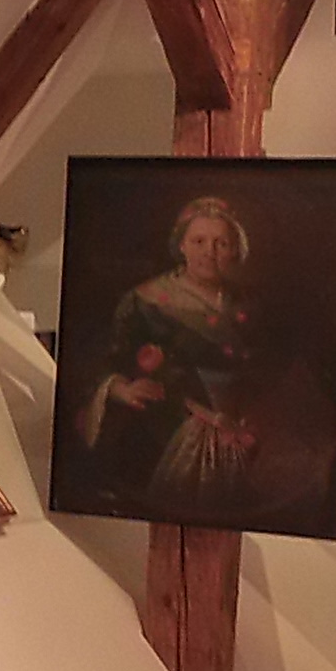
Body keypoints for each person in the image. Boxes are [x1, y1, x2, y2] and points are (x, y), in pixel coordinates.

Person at [78, 197, 261, 520]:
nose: (209, 252)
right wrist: (121, 389)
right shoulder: (144, 302)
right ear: (182, 246)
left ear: (236, 250)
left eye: (221, 243)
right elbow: (103, 362)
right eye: (199, 241)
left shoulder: (246, 304)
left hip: (237, 439)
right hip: (163, 434)